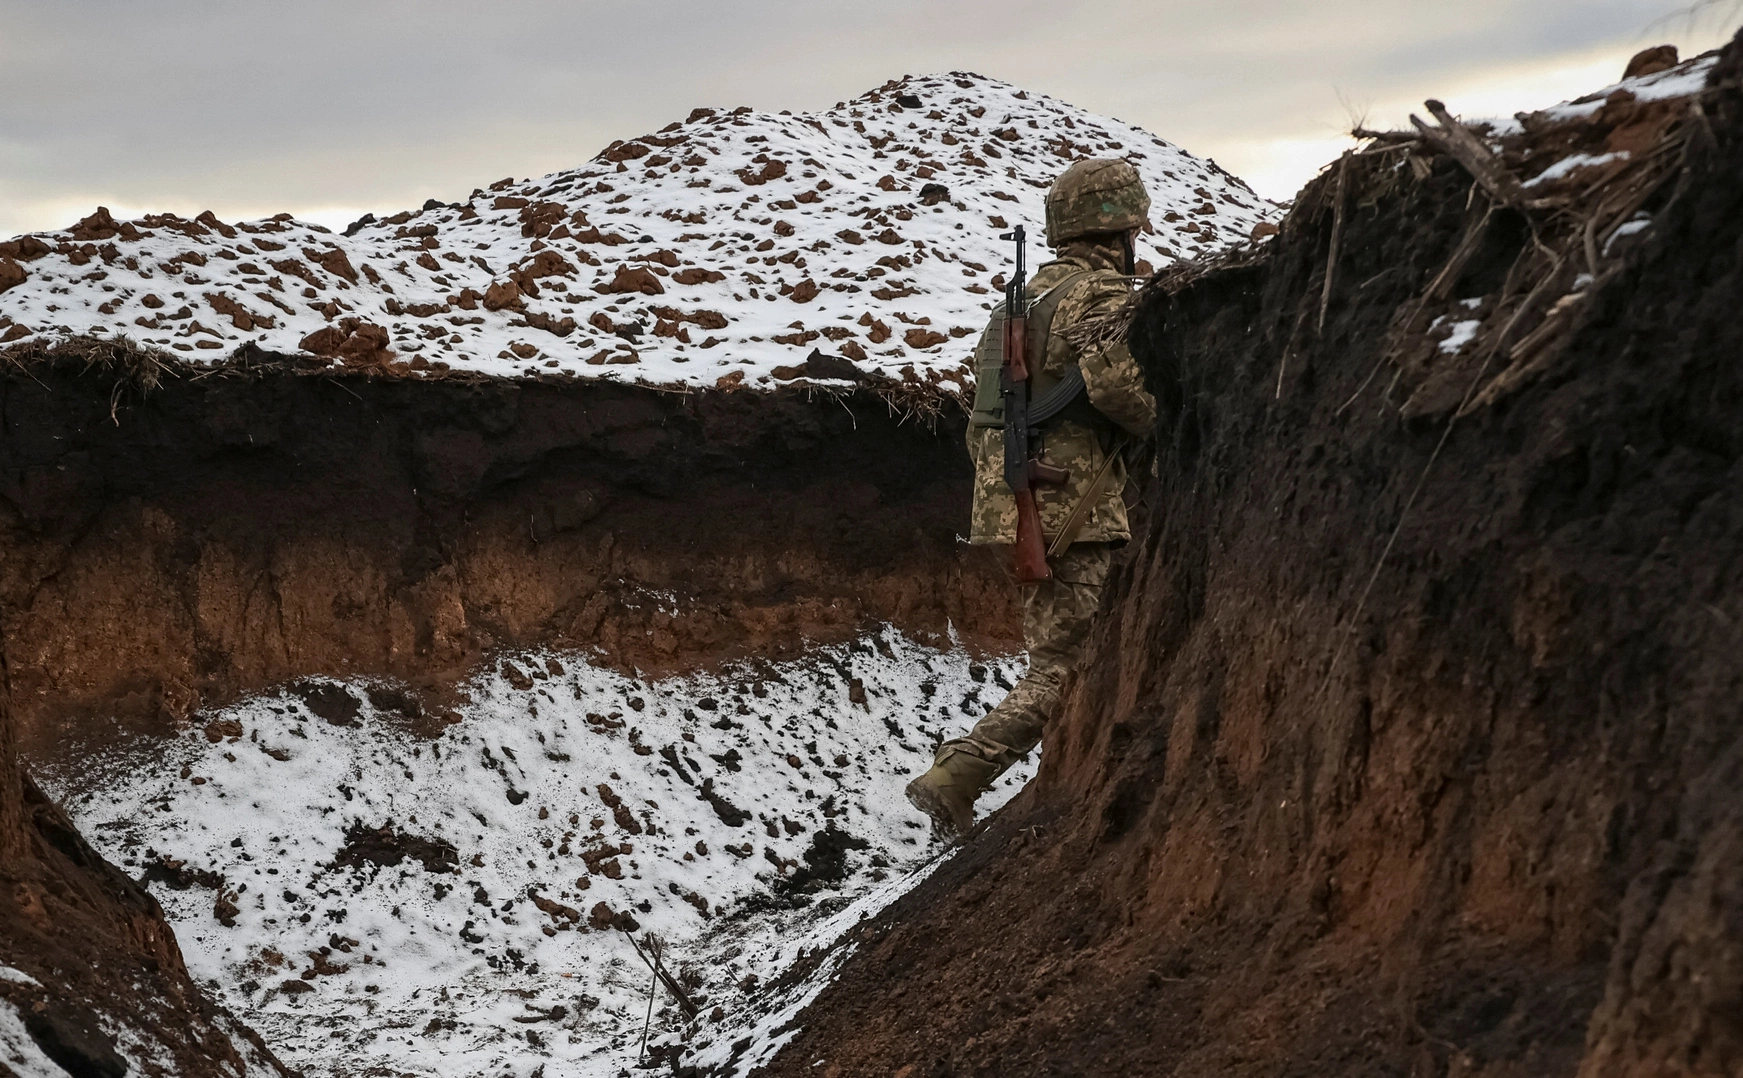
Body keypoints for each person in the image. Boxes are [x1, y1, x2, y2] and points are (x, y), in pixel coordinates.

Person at [905, 159, 1158, 838]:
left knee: (1063, 649)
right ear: (1120, 228)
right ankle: (958, 774)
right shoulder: (1097, 294)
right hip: (1068, 505)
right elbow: (1118, 391)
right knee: (1064, 661)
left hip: (1015, 502)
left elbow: (982, 419)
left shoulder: (1021, 305)